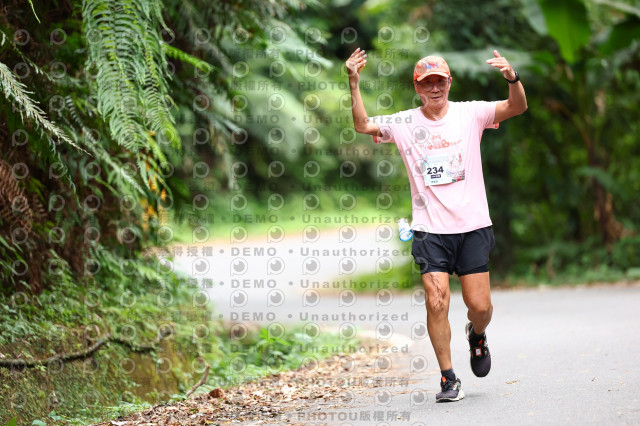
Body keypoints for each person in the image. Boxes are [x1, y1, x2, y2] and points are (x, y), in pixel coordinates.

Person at [346, 48, 527, 402]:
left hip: (473, 226)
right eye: (427, 83)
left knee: (481, 307)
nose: (434, 88)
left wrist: (512, 77)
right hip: (430, 230)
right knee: (436, 300)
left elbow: (516, 106)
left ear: (449, 83)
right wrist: (354, 83)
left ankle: (477, 334)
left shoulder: (471, 113)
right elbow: (362, 125)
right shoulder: (404, 123)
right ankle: (448, 378)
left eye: (439, 82)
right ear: (417, 87)